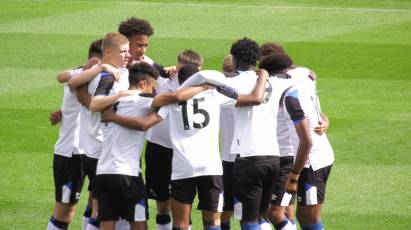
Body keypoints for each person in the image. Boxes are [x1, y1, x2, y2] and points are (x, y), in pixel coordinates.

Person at [102, 63, 269, 230]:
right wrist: (263, 76)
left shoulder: (171, 101)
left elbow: (145, 123)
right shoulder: (215, 96)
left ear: (181, 81)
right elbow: (255, 98)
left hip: (183, 168)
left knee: (180, 224)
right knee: (213, 223)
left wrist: (114, 117)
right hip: (210, 167)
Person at [67, 32, 131, 230]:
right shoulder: (106, 77)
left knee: (98, 204)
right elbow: (95, 104)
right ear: (109, 52)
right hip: (102, 151)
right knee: (104, 210)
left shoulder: (106, 71)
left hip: (95, 149)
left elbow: (74, 85)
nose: (128, 55)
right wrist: (122, 95)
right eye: (123, 51)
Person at [144, 49, 204, 230]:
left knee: (182, 206)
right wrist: (161, 70)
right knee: (162, 205)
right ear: (178, 67)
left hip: (184, 151)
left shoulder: (203, 87)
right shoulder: (162, 80)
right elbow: (142, 59)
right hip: (158, 148)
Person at [46, 39, 102, 230]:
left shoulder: (105, 77)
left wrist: (62, 112)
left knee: (97, 205)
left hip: (92, 151)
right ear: (96, 59)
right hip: (71, 152)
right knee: (65, 212)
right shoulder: (80, 73)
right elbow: (62, 77)